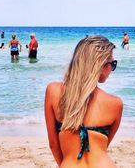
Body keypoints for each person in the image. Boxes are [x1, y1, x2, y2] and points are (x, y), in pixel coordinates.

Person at [44, 36, 123, 167]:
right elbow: (103, 147)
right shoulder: (115, 104)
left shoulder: (53, 91)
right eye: (112, 64)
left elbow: (53, 144)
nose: (112, 70)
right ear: (100, 64)